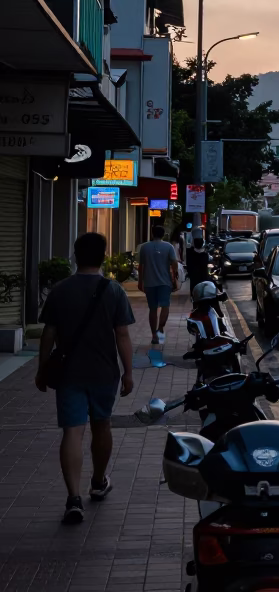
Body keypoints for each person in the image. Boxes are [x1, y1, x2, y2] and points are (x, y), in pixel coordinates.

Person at [35, 232, 135, 524]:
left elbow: (48, 335)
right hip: (104, 372)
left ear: (75, 256)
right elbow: (123, 334)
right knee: (101, 425)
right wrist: (128, 372)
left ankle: (73, 497)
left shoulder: (60, 290)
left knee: (72, 431)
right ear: (103, 256)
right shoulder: (114, 290)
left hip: (68, 374)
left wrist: (42, 369)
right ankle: (99, 481)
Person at [136, 225, 179, 345]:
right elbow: (174, 263)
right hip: (165, 282)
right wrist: (174, 277)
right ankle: (160, 328)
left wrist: (140, 282)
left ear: (152, 233)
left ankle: (154, 335)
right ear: (163, 234)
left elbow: (141, 267)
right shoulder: (168, 247)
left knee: (153, 309)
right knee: (165, 306)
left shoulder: (144, 247)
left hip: (149, 283)